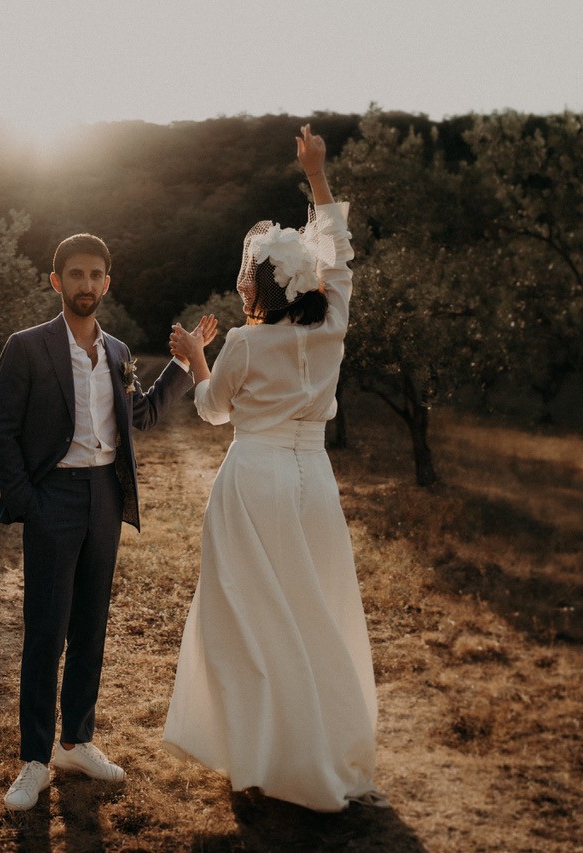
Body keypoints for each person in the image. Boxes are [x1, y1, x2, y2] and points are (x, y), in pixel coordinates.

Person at [161, 125, 387, 811]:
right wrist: (316, 175)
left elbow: (210, 411)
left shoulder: (242, 343)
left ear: (256, 284)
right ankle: (318, 750)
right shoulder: (330, 327)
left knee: (252, 617)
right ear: (306, 280)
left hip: (251, 485)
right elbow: (341, 258)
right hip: (313, 482)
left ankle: (261, 754)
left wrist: (193, 360)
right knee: (313, 611)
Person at [0, 232, 217, 811]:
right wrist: (27, 501)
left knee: (90, 626)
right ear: (57, 281)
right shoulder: (26, 347)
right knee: (46, 631)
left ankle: (76, 741)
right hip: (53, 499)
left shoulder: (117, 352)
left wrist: (184, 364)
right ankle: (35, 760)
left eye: (96, 276)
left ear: (106, 284)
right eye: (76, 275)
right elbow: (3, 431)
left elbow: (140, 414)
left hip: (106, 499)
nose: (86, 284)